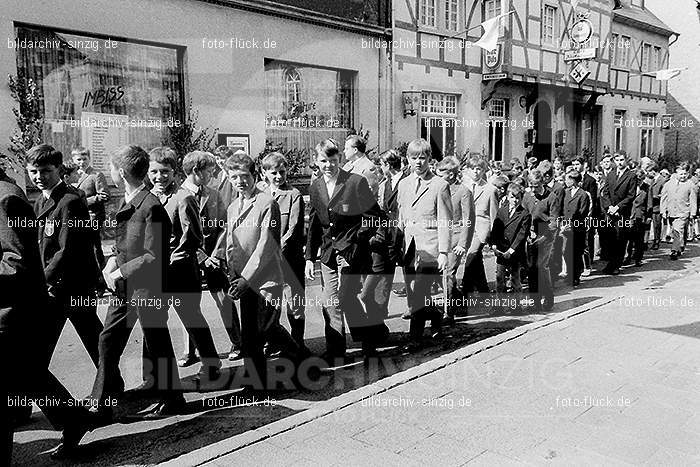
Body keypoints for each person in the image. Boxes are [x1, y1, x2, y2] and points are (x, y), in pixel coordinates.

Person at [1, 166, 102, 462]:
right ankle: (74, 419)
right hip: (20, 306)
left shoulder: (6, 199)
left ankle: (84, 410)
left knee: (18, 375)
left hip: (12, 311)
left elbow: (15, 261)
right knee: (27, 373)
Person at [91, 145, 184, 423]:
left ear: (121, 172)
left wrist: (120, 272)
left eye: (111, 169)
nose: (109, 174)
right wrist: (111, 263)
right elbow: (124, 246)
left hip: (147, 289)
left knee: (158, 343)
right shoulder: (130, 200)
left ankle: (173, 399)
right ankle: (101, 401)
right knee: (108, 340)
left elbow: (153, 255)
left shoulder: (150, 206)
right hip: (126, 290)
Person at [214, 152, 302, 387]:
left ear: (254, 175)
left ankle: (298, 359)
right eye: (234, 177)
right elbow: (231, 242)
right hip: (243, 279)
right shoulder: (233, 206)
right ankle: (256, 384)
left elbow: (266, 245)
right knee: (251, 336)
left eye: (244, 176)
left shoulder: (266, 203)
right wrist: (228, 269)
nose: (239, 181)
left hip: (265, 279)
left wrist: (245, 279)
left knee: (266, 329)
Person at [305, 140, 386, 362]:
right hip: (329, 254)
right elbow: (314, 223)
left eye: (333, 160)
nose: (328, 165)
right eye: (323, 161)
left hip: (352, 252)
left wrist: (356, 240)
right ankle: (336, 350)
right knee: (330, 300)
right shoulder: (315, 187)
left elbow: (374, 216)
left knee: (348, 298)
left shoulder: (355, 182)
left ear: (340, 159)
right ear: (316, 161)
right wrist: (310, 257)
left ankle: (370, 343)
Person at [26, 144, 103, 367]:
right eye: (33, 171)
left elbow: (67, 249)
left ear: (59, 169)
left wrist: (43, 279)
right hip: (55, 288)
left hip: (73, 285)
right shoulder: (41, 200)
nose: (39, 177)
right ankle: (110, 385)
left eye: (45, 170)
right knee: (42, 347)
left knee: (93, 339)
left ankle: (111, 387)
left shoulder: (69, 200)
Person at [148, 147, 221, 382]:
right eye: (154, 172)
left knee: (191, 317)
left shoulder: (183, 197)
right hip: (154, 271)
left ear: (174, 171)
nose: (159, 177)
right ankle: (155, 376)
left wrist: (171, 261)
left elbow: (192, 238)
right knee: (155, 322)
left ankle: (211, 363)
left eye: (165, 172)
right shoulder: (149, 197)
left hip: (180, 270)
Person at [183, 151, 242, 362]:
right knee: (189, 306)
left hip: (214, 258)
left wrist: (216, 255)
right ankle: (190, 350)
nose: (213, 174)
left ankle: (238, 342)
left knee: (224, 301)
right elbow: (180, 235)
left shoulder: (214, 194)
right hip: (189, 258)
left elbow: (225, 226)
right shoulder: (179, 195)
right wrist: (200, 256)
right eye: (209, 171)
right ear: (196, 171)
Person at [396, 139, 451, 350]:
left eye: (422, 158)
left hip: (430, 248)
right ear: (408, 159)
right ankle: (436, 315)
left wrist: (444, 252)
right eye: (413, 158)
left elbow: (445, 220)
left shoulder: (439, 185)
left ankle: (415, 338)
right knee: (414, 292)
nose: (418, 162)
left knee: (419, 291)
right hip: (410, 249)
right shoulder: (403, 183)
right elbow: (402, 216)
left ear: (429, 159)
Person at [258, 152, 307, 350]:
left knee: (294, 304)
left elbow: (293, 229)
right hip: (266, 261)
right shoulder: (260, 193)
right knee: (270, 304)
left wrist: (274, 251)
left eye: (282, 172)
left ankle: (298, 343)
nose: (279, 177)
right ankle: (274, 341)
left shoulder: (293, 195)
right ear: (264, 173)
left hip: (289, 259)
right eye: (273, 173)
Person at [436, 156, 475, 325]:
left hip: (456, 237)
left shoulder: (463, 191)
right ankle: (459, 302)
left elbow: (468, 220)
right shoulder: (438, 189)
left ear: (451, 174)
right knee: (439, 275)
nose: (437, 177)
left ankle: (448, 312)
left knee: (448, 274)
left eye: (441, 174)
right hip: (440, 237)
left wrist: (462, 244)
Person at [522, 169, 561, 311]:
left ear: (542, 182)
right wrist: (526, 234)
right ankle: (534, 301)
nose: (533, 189)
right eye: (530, 185)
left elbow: (554, 221)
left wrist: (544, 237)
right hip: (531, 235)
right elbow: (524, 216)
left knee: (541, 267)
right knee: (531, 268)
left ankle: (548, 297)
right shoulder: (527, 196)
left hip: (546, 235)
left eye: (536, 186)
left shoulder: (551, 197)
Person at [489, 183, 530, 304]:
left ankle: (516, 305)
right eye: (512, 197)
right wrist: (494, 244)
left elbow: (521, 235)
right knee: (499, 278)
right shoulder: (502, 211)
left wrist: (511, 250)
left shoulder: (525, 214)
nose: (515, 200)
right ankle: (499, 305)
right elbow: (496, 229)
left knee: (515, 278)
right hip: (502, 250)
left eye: (518, 197)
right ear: (507, 197)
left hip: (515, 252)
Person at [462, 156, 498, 295]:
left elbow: (493, 214)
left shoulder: (490, 189)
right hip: (465, 227)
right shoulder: (463, 186)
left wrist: (493, 236)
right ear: (467, 170)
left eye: (479, 169)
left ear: (484, 171)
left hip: (481, 229)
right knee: (476, 261)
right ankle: (484, 291)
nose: (476, 172)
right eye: (473, 169)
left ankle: (464, 293)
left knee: (471, 256)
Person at [377, 149, 409, 301]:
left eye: (382, 165)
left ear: (388, 165)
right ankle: (381, 308)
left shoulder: (407, 180)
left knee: (409, 270)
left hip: (405, 232)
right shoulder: (385, 184)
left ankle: (414, 307)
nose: (380, 168)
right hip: (388, 233)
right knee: (386, 270)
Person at [72, 147, 110, 271]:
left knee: (94, 246)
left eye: (84, 159)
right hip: (76, 216)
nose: (82, 162)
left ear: (89, 159)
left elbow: (104, 196)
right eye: (78, 159)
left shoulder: (96, 175)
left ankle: (102, 275)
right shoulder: (72, 176)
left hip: (93, 215)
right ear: (73, 160)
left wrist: (83, 202)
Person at [600, 153, 637, 274]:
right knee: (610, 238)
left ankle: (616, 264)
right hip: (610, 212)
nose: (619, 163)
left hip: (622, 212)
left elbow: (631, 196)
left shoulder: (631, 176)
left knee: (620, 238)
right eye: (617, 160)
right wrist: (609, 206)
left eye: (621, 160)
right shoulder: (611, 174)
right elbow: (605, 192)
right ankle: (610, 263)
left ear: (626, 160)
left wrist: (617, 207)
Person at [660, 162, 697, 260]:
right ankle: (681, 245)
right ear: (676, 173)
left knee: (678, 230)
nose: (683, 176)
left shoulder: (690, 185)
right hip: (671, 212)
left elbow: (693, 199)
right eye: (681, 174)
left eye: (685, 174)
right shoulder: (668, 184)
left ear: (688, 174)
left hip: (683, 212)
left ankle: (674, 251)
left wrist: (693, 213)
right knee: (676, 230)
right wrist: (663, 211)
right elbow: (664, 198)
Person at [561, 169, 590, 286]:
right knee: (566, 252)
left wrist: (571, 224)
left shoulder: (583, 195)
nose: (566, 181)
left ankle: (575, 276)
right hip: (565, 227)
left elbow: (582, 213)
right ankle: (570, 272)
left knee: (576, 252)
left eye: (568, 179)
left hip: (577, 228)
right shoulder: (566, 192)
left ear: (573, 180)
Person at [571, 157, 597, 275]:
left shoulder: (590, 181)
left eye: (577, 164)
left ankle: (588, 264)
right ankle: (577, 266)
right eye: (573, 164)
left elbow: (591, 202)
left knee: (586, 243)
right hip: (573, 219)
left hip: (585, 217)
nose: (575, 166)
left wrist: (588, 219)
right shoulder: (570, 182)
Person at [630, 170, 652, 266]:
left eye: (640, 179)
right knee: (629, 238)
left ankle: (638, 258)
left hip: (641, 215)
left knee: (639, 239)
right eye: (637, 179)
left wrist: (648, 216)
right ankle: (627, 256)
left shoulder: (647, 188)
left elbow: (649, 204)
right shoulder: (631, 186)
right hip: (630, 215)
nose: (638, 181)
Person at [647, 163, 665, 250]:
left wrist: (655, 196)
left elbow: (664, 194)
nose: (648, 173)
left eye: (649, 171)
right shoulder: (651, 180)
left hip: (657, 206)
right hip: (650, 206)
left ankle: (657, 241)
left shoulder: (662, 180)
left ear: (653, 171)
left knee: (656, 225)